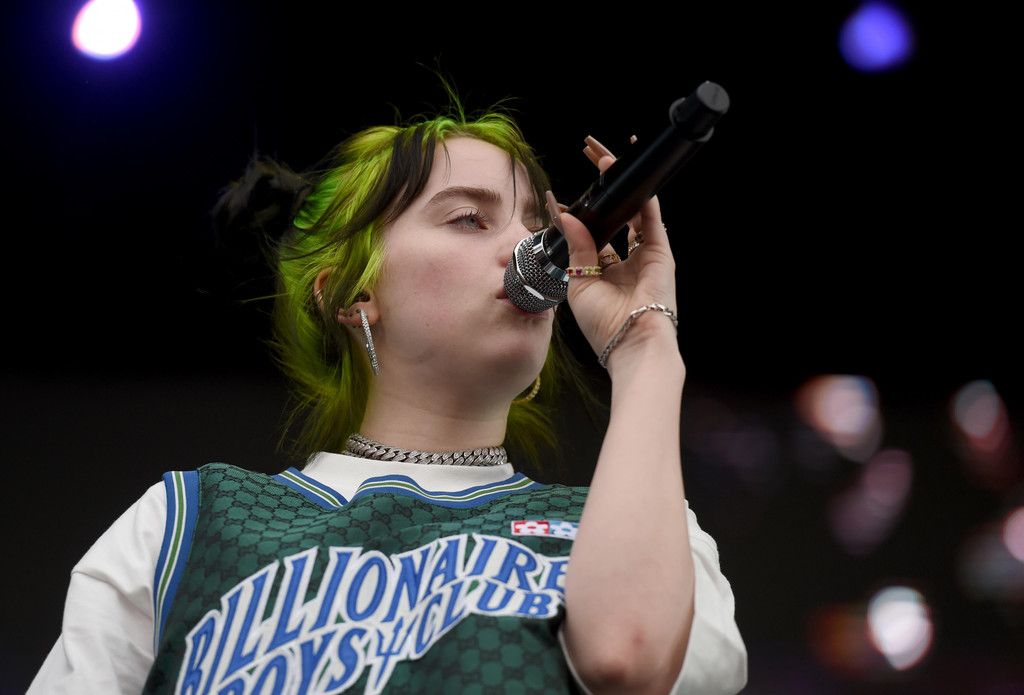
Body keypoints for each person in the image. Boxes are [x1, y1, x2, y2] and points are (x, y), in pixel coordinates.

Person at [30, 86, 747, 694]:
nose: (530, 248)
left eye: (536, 224)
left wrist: (645, 349)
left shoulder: (638, 528)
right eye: (469, 218)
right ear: (353, 294)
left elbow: (627, 658)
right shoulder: (186, 523)